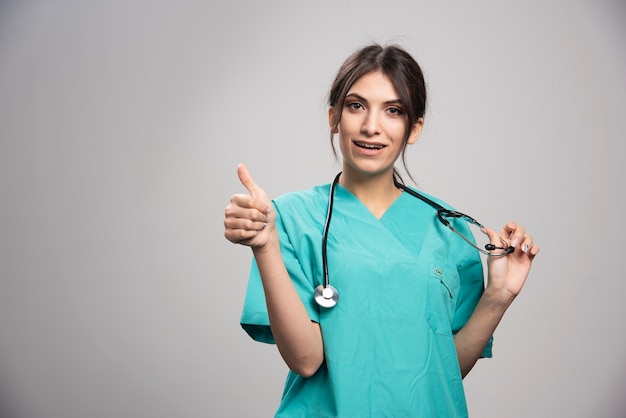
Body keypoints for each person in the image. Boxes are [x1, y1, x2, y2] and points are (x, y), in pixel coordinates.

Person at [224, 43, 539, 417]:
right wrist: (264, 245)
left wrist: (499, 295)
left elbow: (442, 370)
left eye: (393, 111)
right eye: (356, 106)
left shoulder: (449, 229)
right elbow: (305, 360)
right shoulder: (290, 220)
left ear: (414, 128)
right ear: (333, 117)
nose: (371, 126)